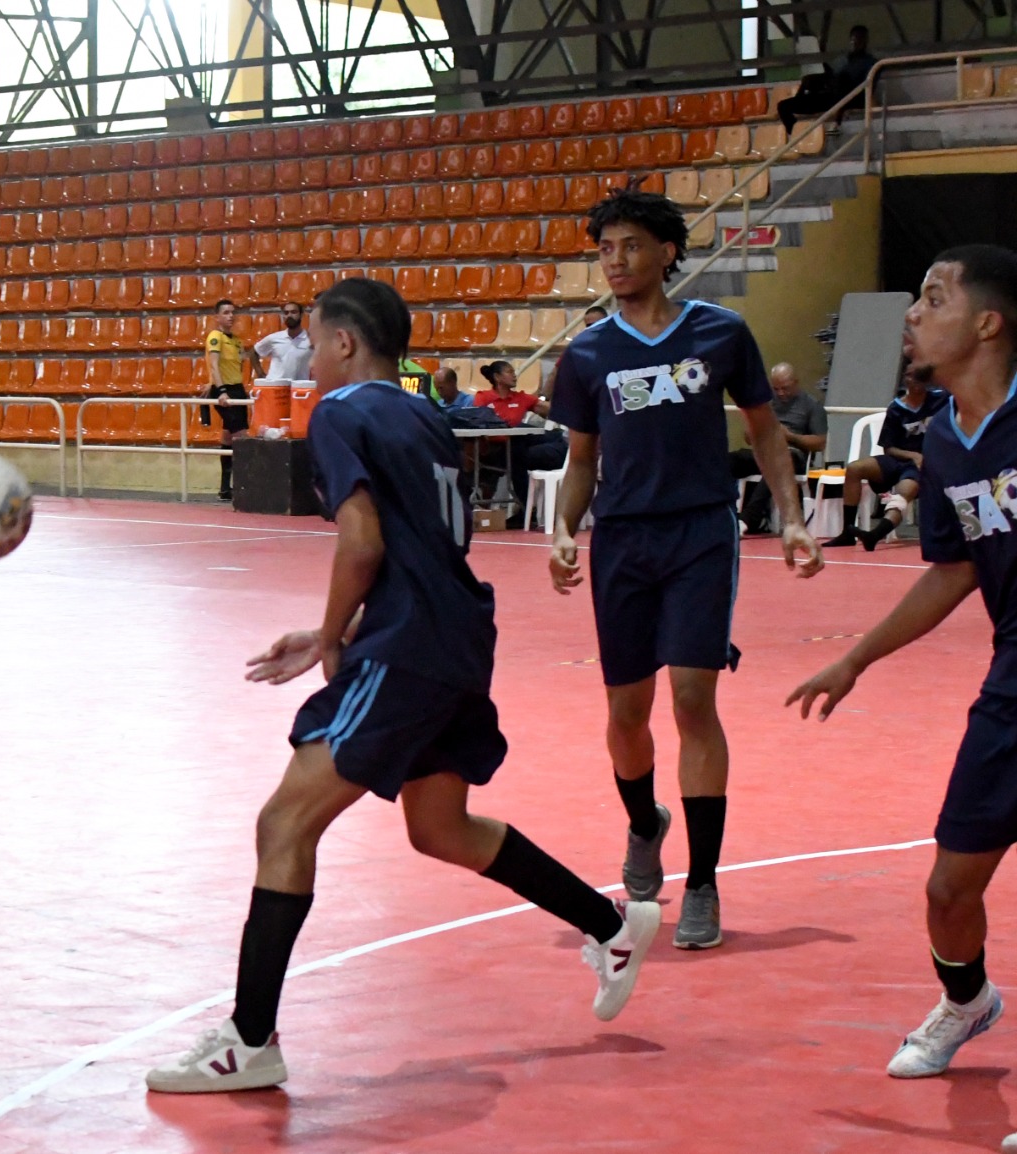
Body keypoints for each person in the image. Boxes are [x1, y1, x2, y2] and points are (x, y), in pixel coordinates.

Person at [145, 278, 660, 1095]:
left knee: (285, 821)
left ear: (345, 344)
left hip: (408, 644)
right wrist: (344, 628)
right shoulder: (423, 414)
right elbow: (419, 542)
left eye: (314, 342)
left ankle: (249, 1041)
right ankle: (612, 926)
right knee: (439, 826)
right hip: (457, 638)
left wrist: (327, 635)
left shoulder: (343, 411)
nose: (308, 357)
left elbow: (361, 537)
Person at [548, 190, 823, 950]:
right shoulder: (589, 353)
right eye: (604, 249)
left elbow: (766, 435)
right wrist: (563, 530)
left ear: (668, 252)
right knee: (626, 715)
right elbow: (580, 462)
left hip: (702, 532)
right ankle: (646, 823)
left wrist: (792, 515)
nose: (615, 261)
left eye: (630, 245)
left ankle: (702, 880)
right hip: (624, 542)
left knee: (693, 700)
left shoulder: (721, 333)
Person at [788, 246, 1017, 1099]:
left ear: (988, 322)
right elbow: (954, 572)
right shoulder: (949, 447)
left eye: (933, 297)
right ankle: (968, 1001)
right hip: (1011, 683)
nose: (912, 314)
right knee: (949, 887)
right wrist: (855, 657)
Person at [824, 372, 950, 550]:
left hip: (924, 464)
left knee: (903, 492)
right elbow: (888, 448)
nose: (918, 384)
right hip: (899, 459)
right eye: (914, 379)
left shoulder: (942, 399)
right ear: (907, 381)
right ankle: (847, 532)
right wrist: (912, 455)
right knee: (854, 468)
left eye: (922, 380)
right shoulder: (896, 408)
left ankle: (875, 535)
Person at [728, 362, 828, 535]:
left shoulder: (812, 405)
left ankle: (747, 519)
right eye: (776, 388)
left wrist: (790, 436)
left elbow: (819, 443)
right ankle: (716, 513)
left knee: (776, 463)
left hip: (794, 454)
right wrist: (757, 431)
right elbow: (748, 438)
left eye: (785, 388)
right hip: (764, 450)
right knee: (727, 460)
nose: (781, 393)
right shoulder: (766, 403)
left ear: (796, 382)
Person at [475, 360, 567, 527]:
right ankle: (526, 509)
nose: (514, 374)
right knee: (519, 434)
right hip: (494, 451)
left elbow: (546, 408)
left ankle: (526, 510)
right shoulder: (483, 398)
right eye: (509, 372)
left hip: (517, 447)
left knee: (551, 436)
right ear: (497, 377)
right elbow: (477, 422)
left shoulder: (521, 398)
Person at [777, 25, 878, 133]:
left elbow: (866, 86)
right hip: (831, 96)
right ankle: (795, 133)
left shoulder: (870, 63)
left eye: (860, 39)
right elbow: (832, 77)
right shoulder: (843, 60)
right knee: (783, 106)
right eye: (854, 39)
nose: (856, 42)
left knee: (843, 80)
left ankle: (834, 118)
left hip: (851, 98)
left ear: (865, 40)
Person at [201, 298, 249, 501]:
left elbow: (238, 367)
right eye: (226, 312)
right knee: (242, 436)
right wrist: (219, 389)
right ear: (217, 317)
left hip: (237, 389)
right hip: (224, 391)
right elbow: (214, 364)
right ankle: (244, 485)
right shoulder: (215, 337)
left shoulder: (237, 341)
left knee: (228, 437)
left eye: (232, 312)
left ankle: (225, 488)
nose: (231, 316)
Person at [250, 301, 312, 381]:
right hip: (275, 387)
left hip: (298, 388)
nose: (289, 315)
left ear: (301, 315)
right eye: (286, 313)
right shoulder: (274, 338)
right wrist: (261, 374)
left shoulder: (311, 340)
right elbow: (254, 352)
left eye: (293, 312)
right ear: (283, 317)